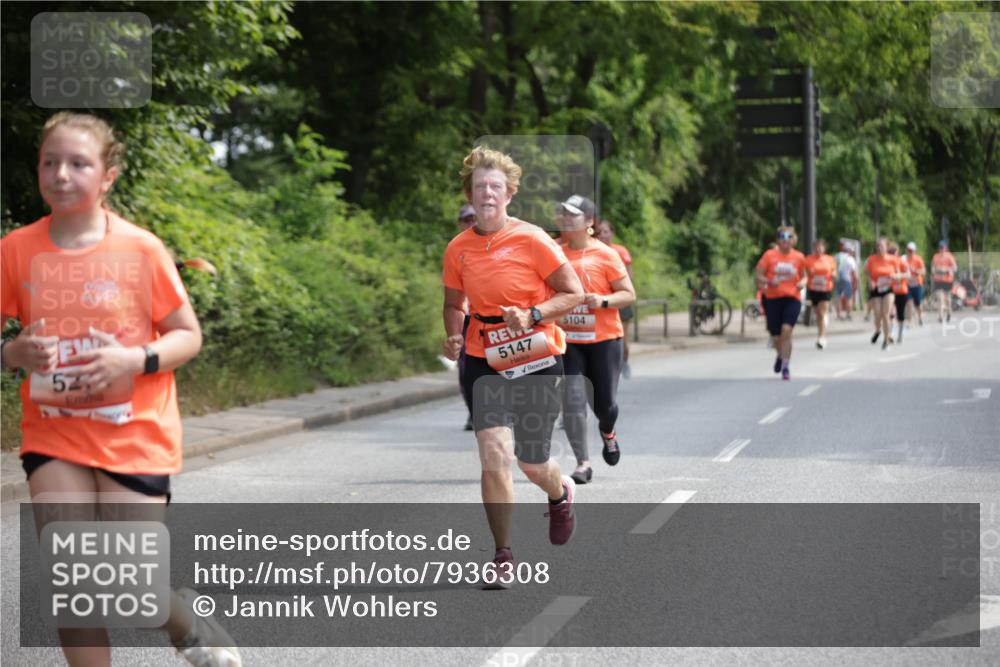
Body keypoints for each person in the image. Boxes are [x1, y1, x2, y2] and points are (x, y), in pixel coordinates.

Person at [0, 113, 240, 666]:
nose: (61, 174)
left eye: (78, 163)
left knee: (130, 586)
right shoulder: (16, 250)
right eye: (49, 162)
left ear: (107, 176)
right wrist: (13, 353)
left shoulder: (140, 250)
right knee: (72, 579)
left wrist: (132, 358)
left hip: (135, 431)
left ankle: (186, 626)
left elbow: (188, 335)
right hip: (54, 431)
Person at [441, 146, 584, 587]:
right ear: (470, 192)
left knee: (531, 462)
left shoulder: (533, 239)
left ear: (509, 194)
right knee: (493, 456)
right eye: (480, 186)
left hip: (537, 354)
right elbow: (452, 301)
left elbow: (573, 293)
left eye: (495, 187)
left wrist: (534, 314)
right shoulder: (458, 248)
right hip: (484, 356)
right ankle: (503, 555)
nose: (487, 193)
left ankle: (559, 494)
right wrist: (452, 332)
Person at [555, 196, 635, 485]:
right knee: (572, 401)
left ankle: (608, 433)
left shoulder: (606, 255)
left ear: (589, 222)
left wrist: (601, 301)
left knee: (605, 406)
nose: (565, 219)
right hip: (568, 340)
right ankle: (582, 462)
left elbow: (628, 293)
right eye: (562, 213)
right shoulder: (555, 254)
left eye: (573, 215)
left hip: (604, 339)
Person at [755, 226, 807, 380]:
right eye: (782, 238)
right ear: (778, 240)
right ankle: (780, 355)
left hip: (792, 298)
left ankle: (785, 366)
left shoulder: (799, 257)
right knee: (776, 337)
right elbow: (758, 275)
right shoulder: (769, 255)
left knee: (787, 331)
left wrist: (802, 283)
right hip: (772, 298)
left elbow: (805, 276)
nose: (786, 241)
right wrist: (770, 281)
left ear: (793, 240)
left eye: (789, 237)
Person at [595, 219, 635, 379]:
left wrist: (618, 291)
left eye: (606, 231)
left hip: (617, 299)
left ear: (612, 233)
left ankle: (624, 360)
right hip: (601, 301)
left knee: (622, 339)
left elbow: (629, 276)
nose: (603, 235)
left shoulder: (620, 251)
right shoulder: (591, 251)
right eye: (600, 232)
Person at [455, 204, 477, 430]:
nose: (470, 223)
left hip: (490, 319)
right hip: (466, 320)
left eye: (474, 218)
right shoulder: (455, 250)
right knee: (465, 371)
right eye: (466, 219)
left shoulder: (492, 245)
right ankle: (473, 413)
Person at [864, 237, 896, 350]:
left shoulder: (893, 259)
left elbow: (902, 273)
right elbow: (867, 273)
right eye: (878, 246)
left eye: (882, 246)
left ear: (886, 247)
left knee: (885, 313)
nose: (879, 248)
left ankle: (886, 340)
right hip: (876, 289)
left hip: (888, 288)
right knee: (878, 314)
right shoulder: (871, 260)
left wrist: (895, 276)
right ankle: (878, 330)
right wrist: (870, 282)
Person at [804, 238, 835, 349]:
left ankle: (821, 337)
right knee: (817, 313)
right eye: (816, 247)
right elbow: (805, 274)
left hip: (826, 288)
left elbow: (834, 272)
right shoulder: (808, 260)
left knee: (821, 313)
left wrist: (834, 275)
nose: (818, 249)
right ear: (813, 248)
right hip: (813, 289)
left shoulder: (829, 259)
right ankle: (821, 329)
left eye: (820, 247)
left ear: (824, 248)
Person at [887, 242, 911, 343]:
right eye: (890, 252)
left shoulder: (902, 261)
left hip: (901, 290)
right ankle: (891, 334)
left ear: (897, 252)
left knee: (900, 315)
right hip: (890, 291)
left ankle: (900, 335)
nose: (892, 254)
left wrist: (899, 275)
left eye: (893, 252)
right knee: (891, 313)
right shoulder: (887, 262)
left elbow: (908, 274)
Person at [931, 240, 958, 323]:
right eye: (940, 247)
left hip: (947, 280)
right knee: (940, 298)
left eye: (942, 247)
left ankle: (949, 312)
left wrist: (946, 270)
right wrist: (936, 270)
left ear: (945, 248)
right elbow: (933, 267)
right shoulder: (935, 256)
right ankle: (940, 316)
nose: (941, 249)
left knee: (947, 299)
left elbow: (955, 268)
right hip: (938, 280)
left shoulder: (949, 256)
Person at [834, 241, 858, 320]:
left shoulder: (836, 256)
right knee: (849, 297)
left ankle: (838, 314)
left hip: (837, 278)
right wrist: (856, 281)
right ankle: (848, 314)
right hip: (847, 278)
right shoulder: (850, 258)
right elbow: (853, 271)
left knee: (838, 297)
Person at [903, 241, 925, 326]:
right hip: (908, 284)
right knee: (909, 302)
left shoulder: (918, 259)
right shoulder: (904, 260)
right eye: (909, 250)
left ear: (915, 251)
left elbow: (923, 271)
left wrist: (916, 271)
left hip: (917, 284)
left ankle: (920, 317)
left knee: (918, 303)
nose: (910, 252)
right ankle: (910, 320)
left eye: (911, 250)